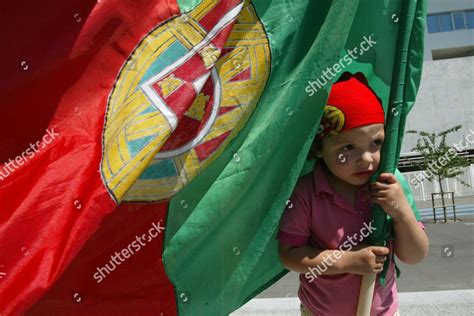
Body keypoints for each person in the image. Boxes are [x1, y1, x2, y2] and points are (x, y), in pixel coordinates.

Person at [277, 73, 429, 316]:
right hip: (319, 312)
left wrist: (402, 214)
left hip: (383, 312)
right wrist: (348, 261)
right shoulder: (305, 193)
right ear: (319, 148)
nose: (367, 159)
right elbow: (290, 255)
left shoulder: (391, 184)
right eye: (348, 148)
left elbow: (415, 255)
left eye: (376, 143)